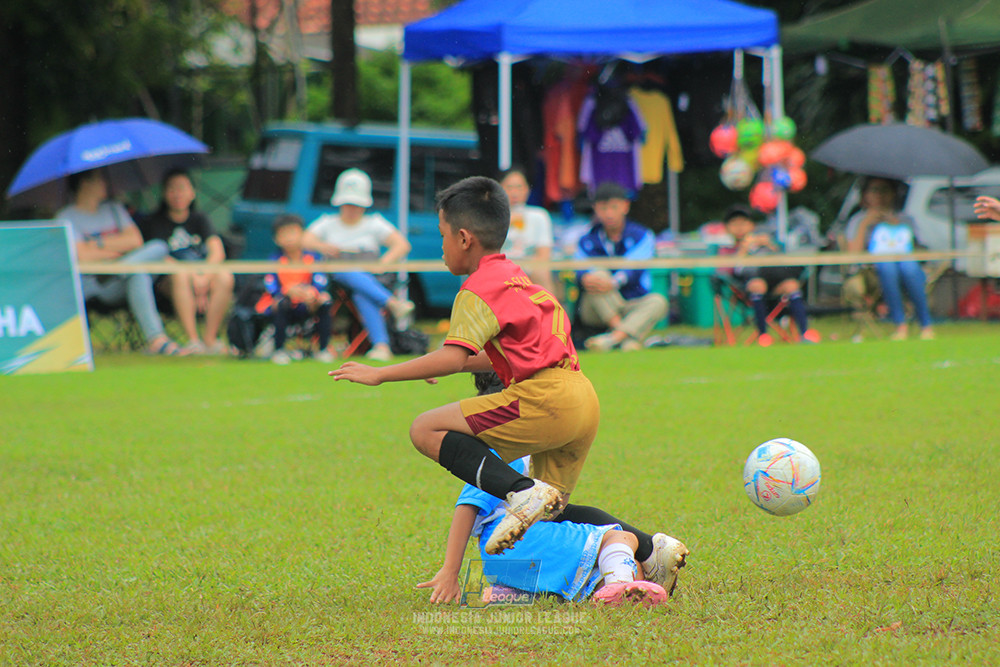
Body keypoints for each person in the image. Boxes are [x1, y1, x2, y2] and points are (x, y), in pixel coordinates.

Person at [331, 176, 600, 556]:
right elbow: (502, 353)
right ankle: (647, 548)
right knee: (552, 511)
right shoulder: (515, 277)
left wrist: (380, 373)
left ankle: (520, 492)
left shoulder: (477, 287)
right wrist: (447, 366)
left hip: (545, 398)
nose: (441, 248)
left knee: (425, 428)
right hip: (582, 397)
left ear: (463, 238)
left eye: (442, 236)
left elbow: (453, 354)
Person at [418, 371, 689, 607]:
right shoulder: (504, 451)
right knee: (619, 540)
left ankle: (512, 593)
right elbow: (468, 506)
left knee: (632, 570)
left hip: (504, 564)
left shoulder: (509, 451)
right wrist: (450, 570)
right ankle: (620, 584)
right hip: (521, 546)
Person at [57, 169, 187, 356]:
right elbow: (82, 255)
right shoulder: (66, 217)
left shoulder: (114, 209)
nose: (105, 184)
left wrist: (98, 246)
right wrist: (116, 248)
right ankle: (157, 340)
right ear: (85, 183)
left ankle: (156, 341)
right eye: (99, 180)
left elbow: (135, 241)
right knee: (137, 269)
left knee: (157, 248)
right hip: (94, 284)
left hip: (118, 277)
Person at [303, 168, 415, 362]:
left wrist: (383, 263)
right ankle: (392, 303)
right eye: (348, 204)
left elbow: (402, 244)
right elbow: (305, 241)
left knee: (363, 292)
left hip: (370, 277)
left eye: (356, 204)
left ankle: (381, 346)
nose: (352, 208)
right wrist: (323, 246)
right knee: (348, 271)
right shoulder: (327, 223)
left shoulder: (375, 223)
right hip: (337, 278)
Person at [139, 168, 234, 355]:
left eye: (182, 188)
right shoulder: (154, 222)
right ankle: (193, 341)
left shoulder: (200, 219)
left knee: (225, 277)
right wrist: (193, 277)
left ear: (192, 193)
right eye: (172, 189)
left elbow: (217, 250)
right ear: (165, 193)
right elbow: (159, 256)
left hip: (201, 275)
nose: (177, 194)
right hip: (168, 280)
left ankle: (210, 339)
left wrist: (205, 277)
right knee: (180, 276)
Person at [574, 182, 667, 351]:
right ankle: (623, 335)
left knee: (658, 301)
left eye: (614, 207)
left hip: (632, 304)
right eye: (603, 208)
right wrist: (591, 279)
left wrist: (614, 282)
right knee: (597, 278)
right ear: (595, 208)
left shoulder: (642, 236)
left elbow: (634, 271)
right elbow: (581, 272)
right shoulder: (586, 240)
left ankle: (615, 338)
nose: (609, 214)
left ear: (625, 206)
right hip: (596, 309)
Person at [845, 178, 934, 341]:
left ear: (893, 194)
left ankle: (926, 325)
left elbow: (920, 250)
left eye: (884, 190)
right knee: (887, 267)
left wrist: (896, 225)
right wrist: (866, 224)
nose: (880, 196)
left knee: (909, 267)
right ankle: (900, 325)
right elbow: (852, 254)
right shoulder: (857, 220)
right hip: (871, 273)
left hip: (907, 267)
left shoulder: (905, 219)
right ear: (865, 195)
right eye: (875, 190)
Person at [719, 205, 819, 346]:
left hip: (775, 283)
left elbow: (781, 260)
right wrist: (742, 251)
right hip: (747, 290)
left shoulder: (763, 242)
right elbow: (725, 272)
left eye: (743, 223)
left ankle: (804, 333)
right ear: (727, 228)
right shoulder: (726, 250)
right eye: (734, 224)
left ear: (752, 225)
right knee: (757, 285)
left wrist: (769, 245)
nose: (739, 227)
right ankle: (763, 335)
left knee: (791, 285)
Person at [255, 214, 334, 364]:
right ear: (276, 239)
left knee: (325, 300)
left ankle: (323, 349)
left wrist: (312, 292)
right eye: (284, 234)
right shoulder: (274, 260)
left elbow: (321, 279)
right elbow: (270, 283)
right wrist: (286, 291)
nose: (289, 238)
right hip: (285, 302)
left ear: (302, 235)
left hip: (308, 301)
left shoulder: (313, 258)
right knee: (280, 303)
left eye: (293, 233)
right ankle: (279, 350)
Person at [499, 168, 556, 295]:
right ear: (499, 190)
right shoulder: (491, 217)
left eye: (519, 187)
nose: (514, 193)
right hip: (500, 270)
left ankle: (550, 313)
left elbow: (544, 255)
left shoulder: (539, 215)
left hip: (529, 269)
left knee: (542, 271)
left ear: (527, 190)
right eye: (509, 187)